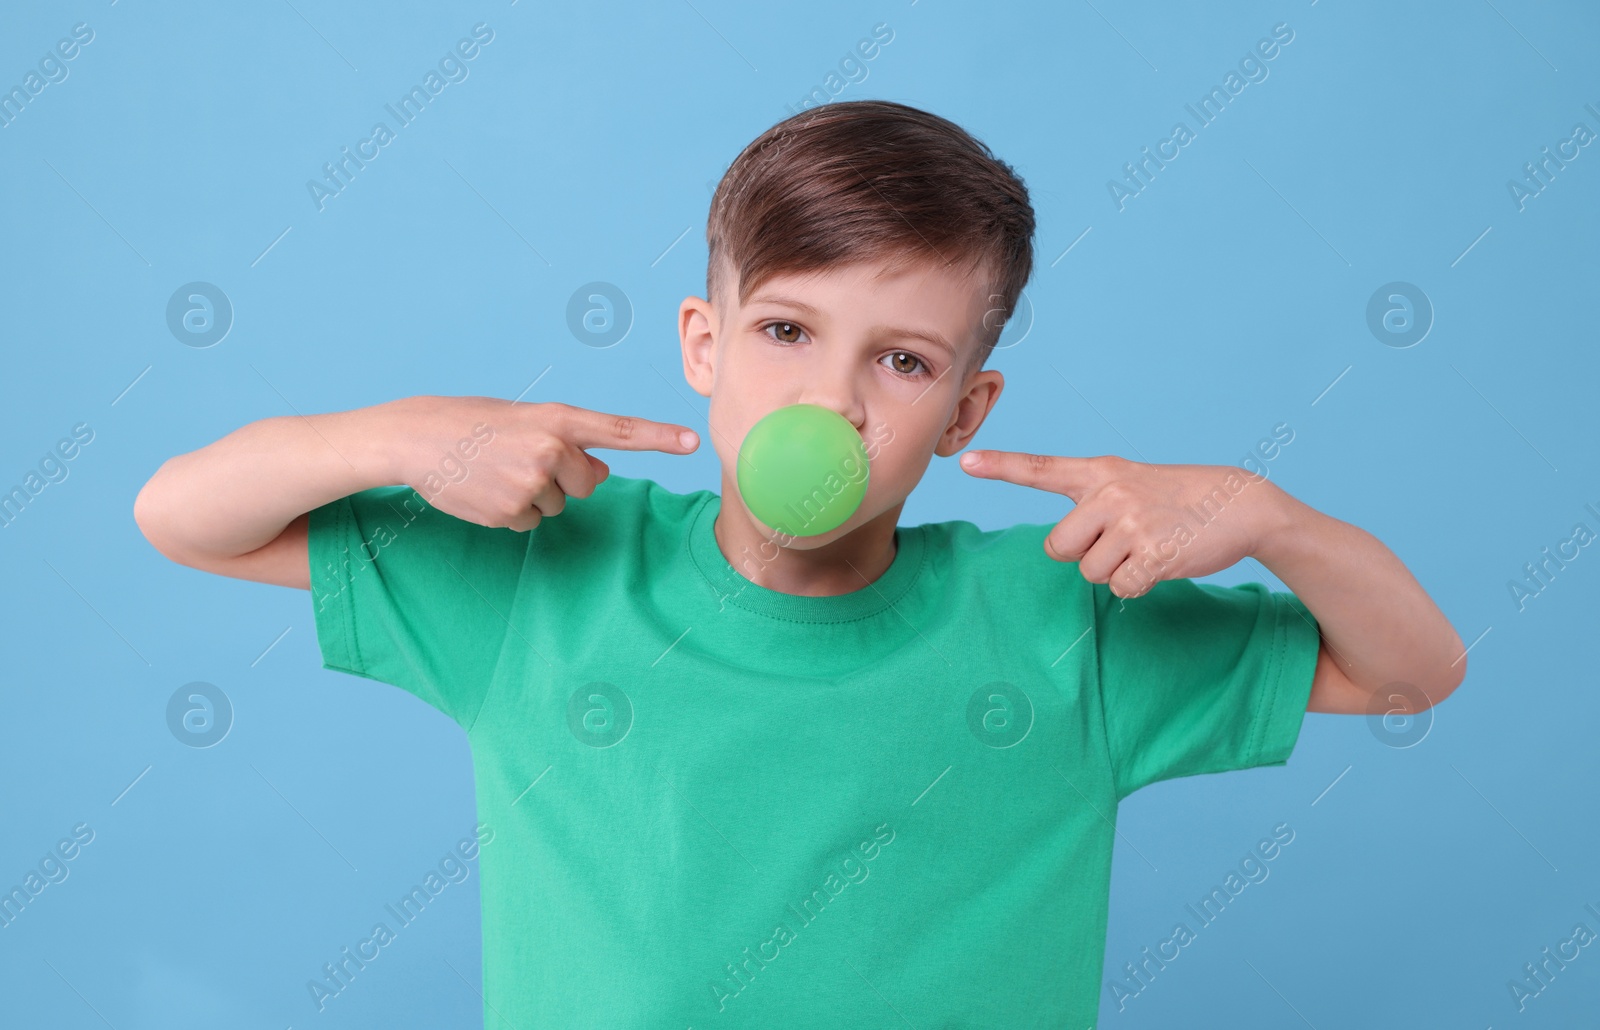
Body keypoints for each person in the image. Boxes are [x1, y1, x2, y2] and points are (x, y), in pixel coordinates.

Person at [133, 99, 1466, 1028]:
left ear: (965, 413)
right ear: (702, 346)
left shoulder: (1069, 618)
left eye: (902, 360)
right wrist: (397, 436)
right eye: (785, 330)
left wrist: (1272, 515)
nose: (832, 403)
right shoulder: (544, 572)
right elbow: (185, 515)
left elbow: (1413, 670)